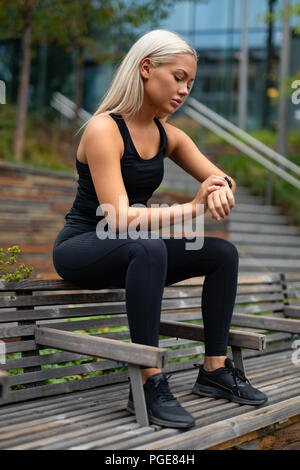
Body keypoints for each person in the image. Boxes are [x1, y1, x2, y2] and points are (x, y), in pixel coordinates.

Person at [52, 29, 267, 429]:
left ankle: (214, 371)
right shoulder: (104, 129)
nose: (185, 89)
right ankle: (149, 383)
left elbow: (224, 179)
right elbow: (116, 217)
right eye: (179, 77)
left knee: (222, 253)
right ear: (147, 68)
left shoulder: (170, 136)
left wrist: (220, 188)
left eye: (191, 82)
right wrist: (192, 207)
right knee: (148, 246)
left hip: (134, 247)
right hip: (83, 244)